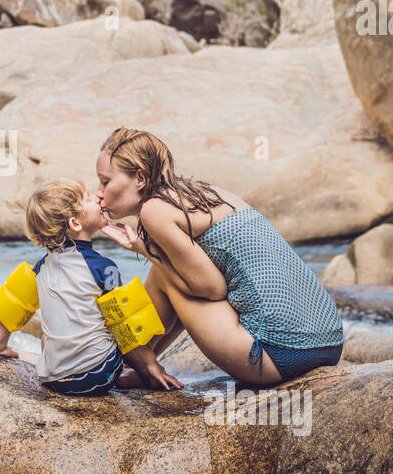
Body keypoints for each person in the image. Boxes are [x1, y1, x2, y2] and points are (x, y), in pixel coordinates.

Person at [95, 127, 344, 386]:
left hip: (279, 354)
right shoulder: (202, 193)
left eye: (106, 181)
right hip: (329, 345)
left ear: (141, 178)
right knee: (170, 267)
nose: (99, 192)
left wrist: (142, 248)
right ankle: (140, 363)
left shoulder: (154, 210)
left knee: (165, 274)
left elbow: (211, 289)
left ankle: (135, 363)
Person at [0, 180, 181, 395]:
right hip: (98, 375)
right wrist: (152, 366)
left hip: (54, 380)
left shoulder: (39, 270)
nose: (97, 198)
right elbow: (125, 322)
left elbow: (14, 303)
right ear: (76, 223)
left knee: (46, 337)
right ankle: (130, 374)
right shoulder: (103, 268)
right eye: (87, 199)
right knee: (114, 321)